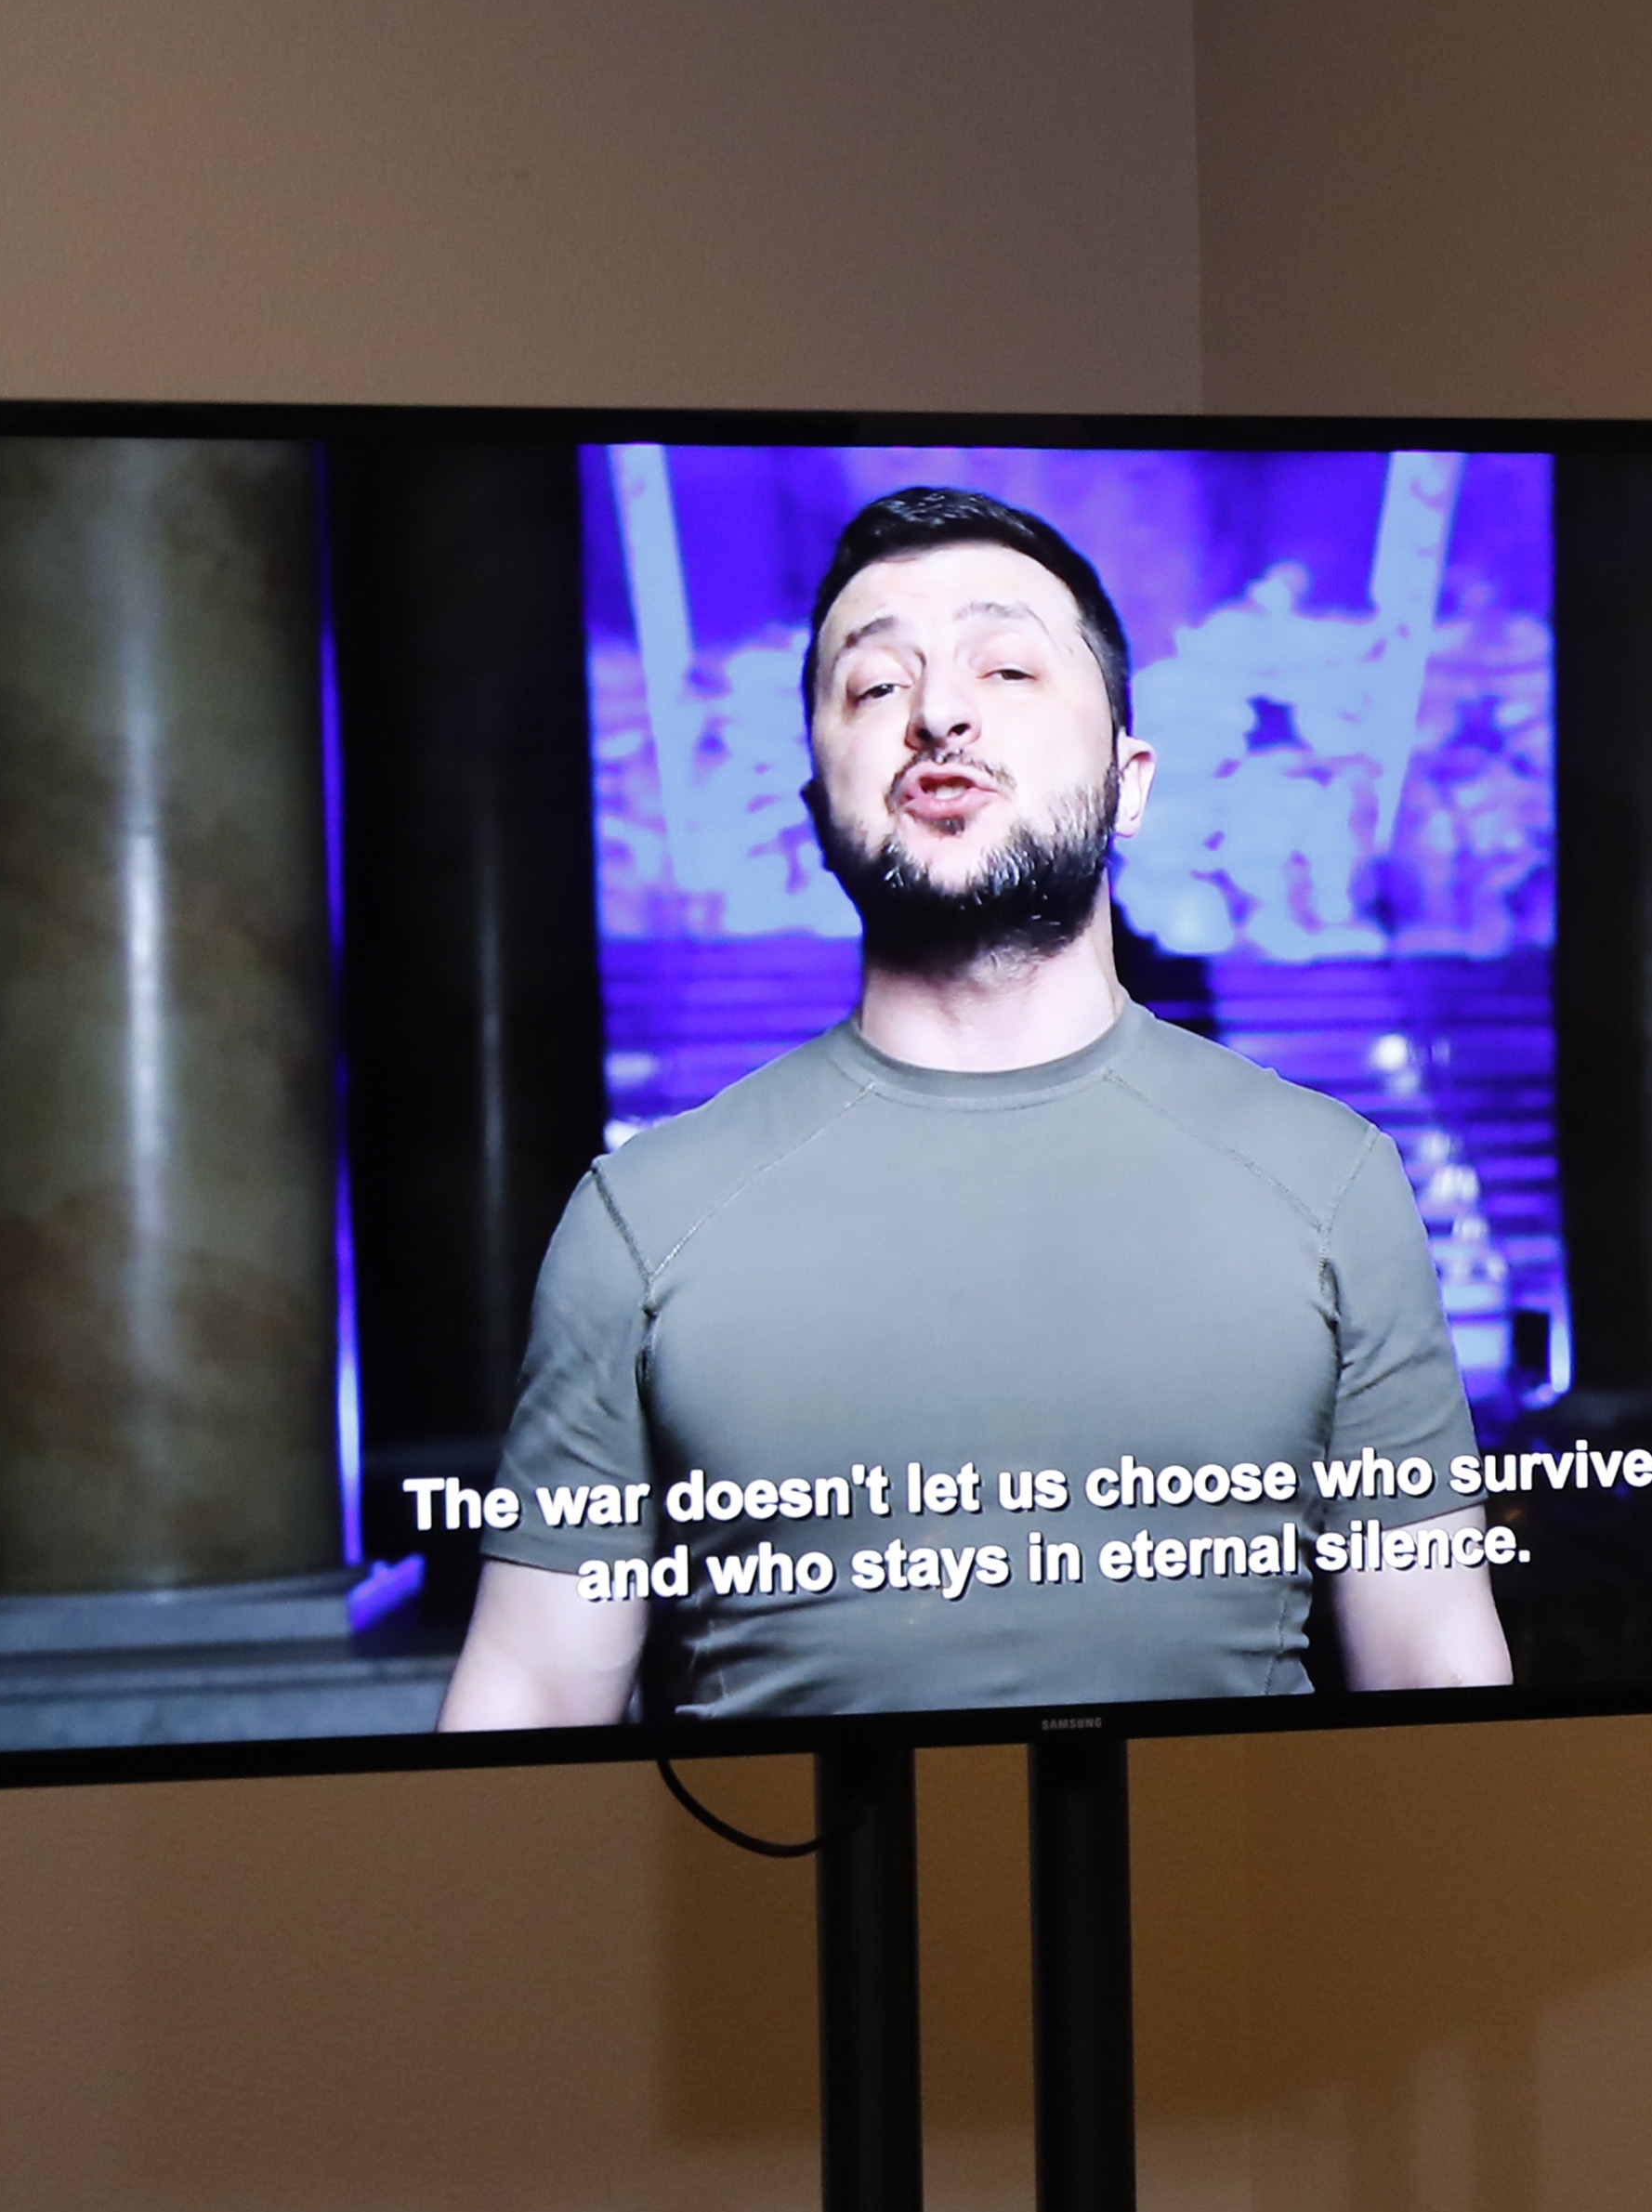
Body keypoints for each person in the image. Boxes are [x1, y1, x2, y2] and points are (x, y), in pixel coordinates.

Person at [439, 484, 1514, 1728]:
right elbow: (528, 1701)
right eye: (875, 685)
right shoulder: (644, 1214)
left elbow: (1438, 1682)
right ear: (814, 810)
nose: (938, 713)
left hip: (1237, 1915)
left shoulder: (1335, 1183)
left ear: (1131, 780)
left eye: (1006, 668)